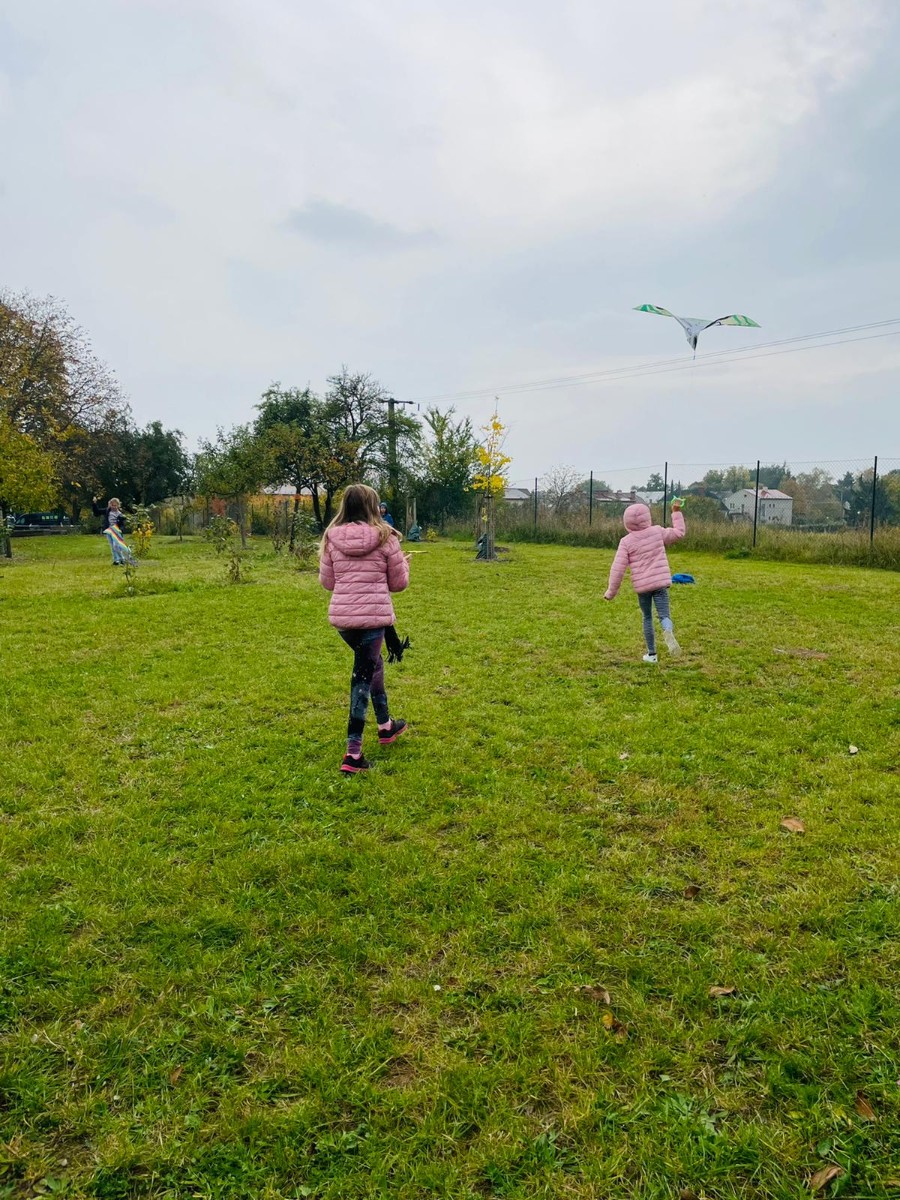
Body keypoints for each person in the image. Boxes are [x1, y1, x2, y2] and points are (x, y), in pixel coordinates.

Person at [320, 484, 410, 773]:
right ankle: (353, 754)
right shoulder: (386, 538)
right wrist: (404, 566)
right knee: (361, 679)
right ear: (373, 506)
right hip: (372, 618)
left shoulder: (331, 538)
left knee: (373, 666)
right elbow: (399, 584)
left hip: (344, 621)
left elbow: (328, 582)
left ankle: (386, 726)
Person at [604, 499, 686, 662]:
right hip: (660, 584)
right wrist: (676, 512)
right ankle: (667, 630)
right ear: (647, 517)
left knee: (647, 617)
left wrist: (611, 592)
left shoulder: (626, 542)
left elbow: (618, 569)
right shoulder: (657, 532)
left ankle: (652, 654)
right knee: (664, 615)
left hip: (643, 588)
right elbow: (679, 533)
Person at [104, 498, 129, 566]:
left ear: (118, 505)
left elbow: (122, 524)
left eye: (115, 505)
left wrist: (120, 530)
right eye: (112, 505)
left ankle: (122, 559)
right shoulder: (108, 512)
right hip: (109, 531)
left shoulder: (120, 514)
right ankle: (116, 560)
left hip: (116, 531)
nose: (114, 507)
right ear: (110, 505)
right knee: (112, 546)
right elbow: (97, 511)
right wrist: (94, 503)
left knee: (116, 546)